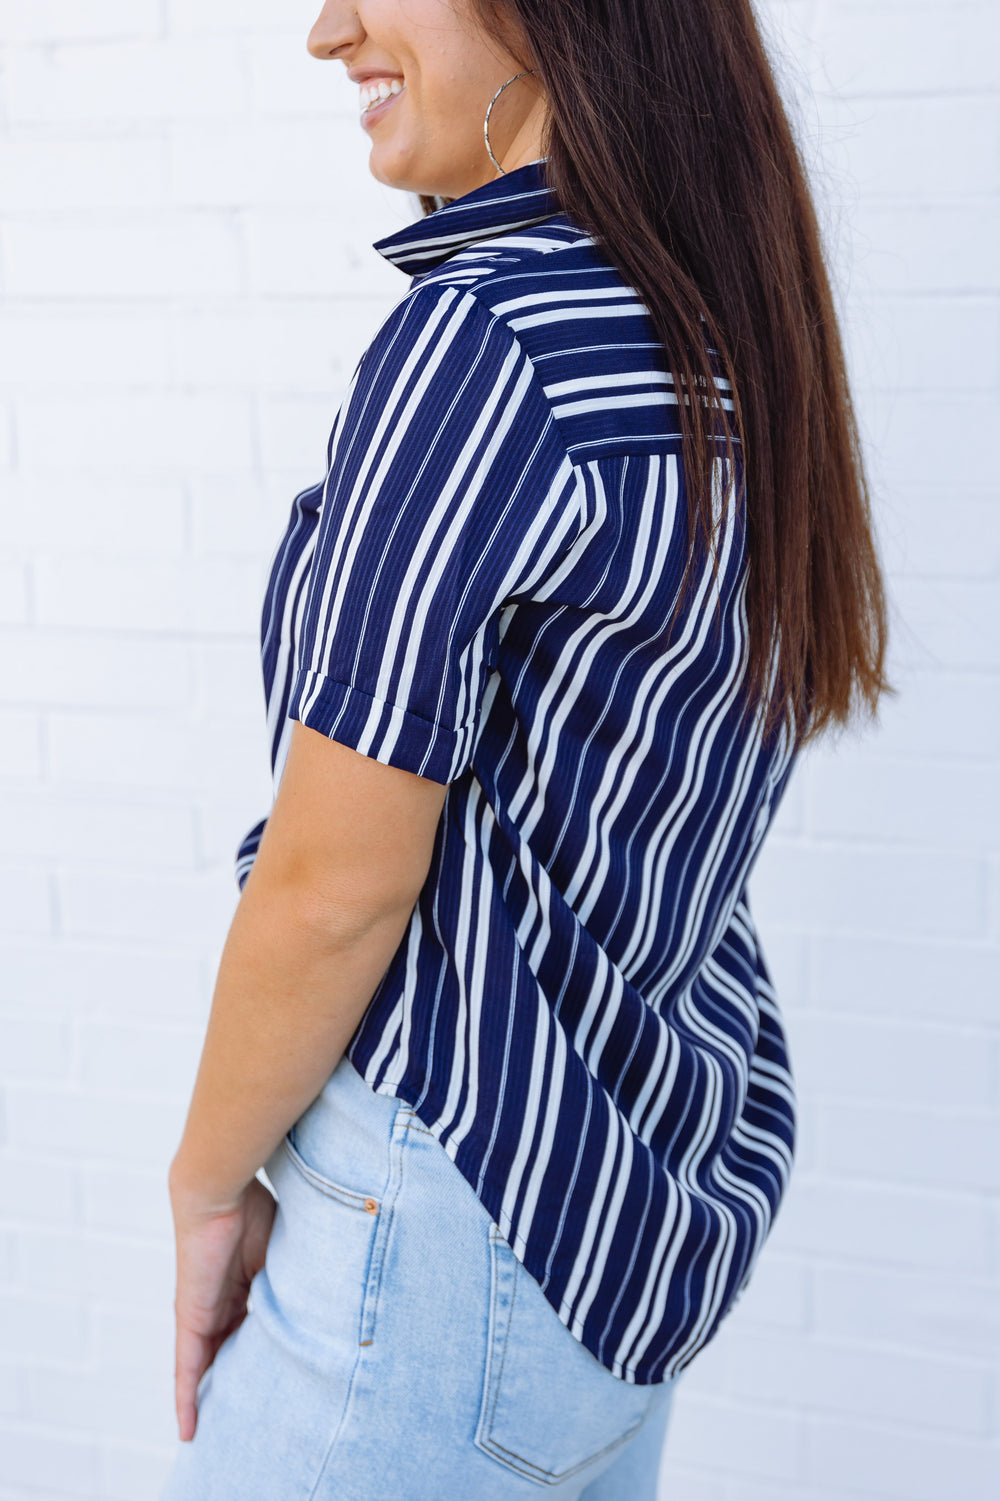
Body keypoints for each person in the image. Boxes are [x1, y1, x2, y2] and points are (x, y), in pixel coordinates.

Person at [161, 1, 892, 1496]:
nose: (328, 30)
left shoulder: (487, 343)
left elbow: (330, 888)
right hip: (608, 1247)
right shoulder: (718, 335)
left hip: (434, 1238)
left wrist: (203, 1186)